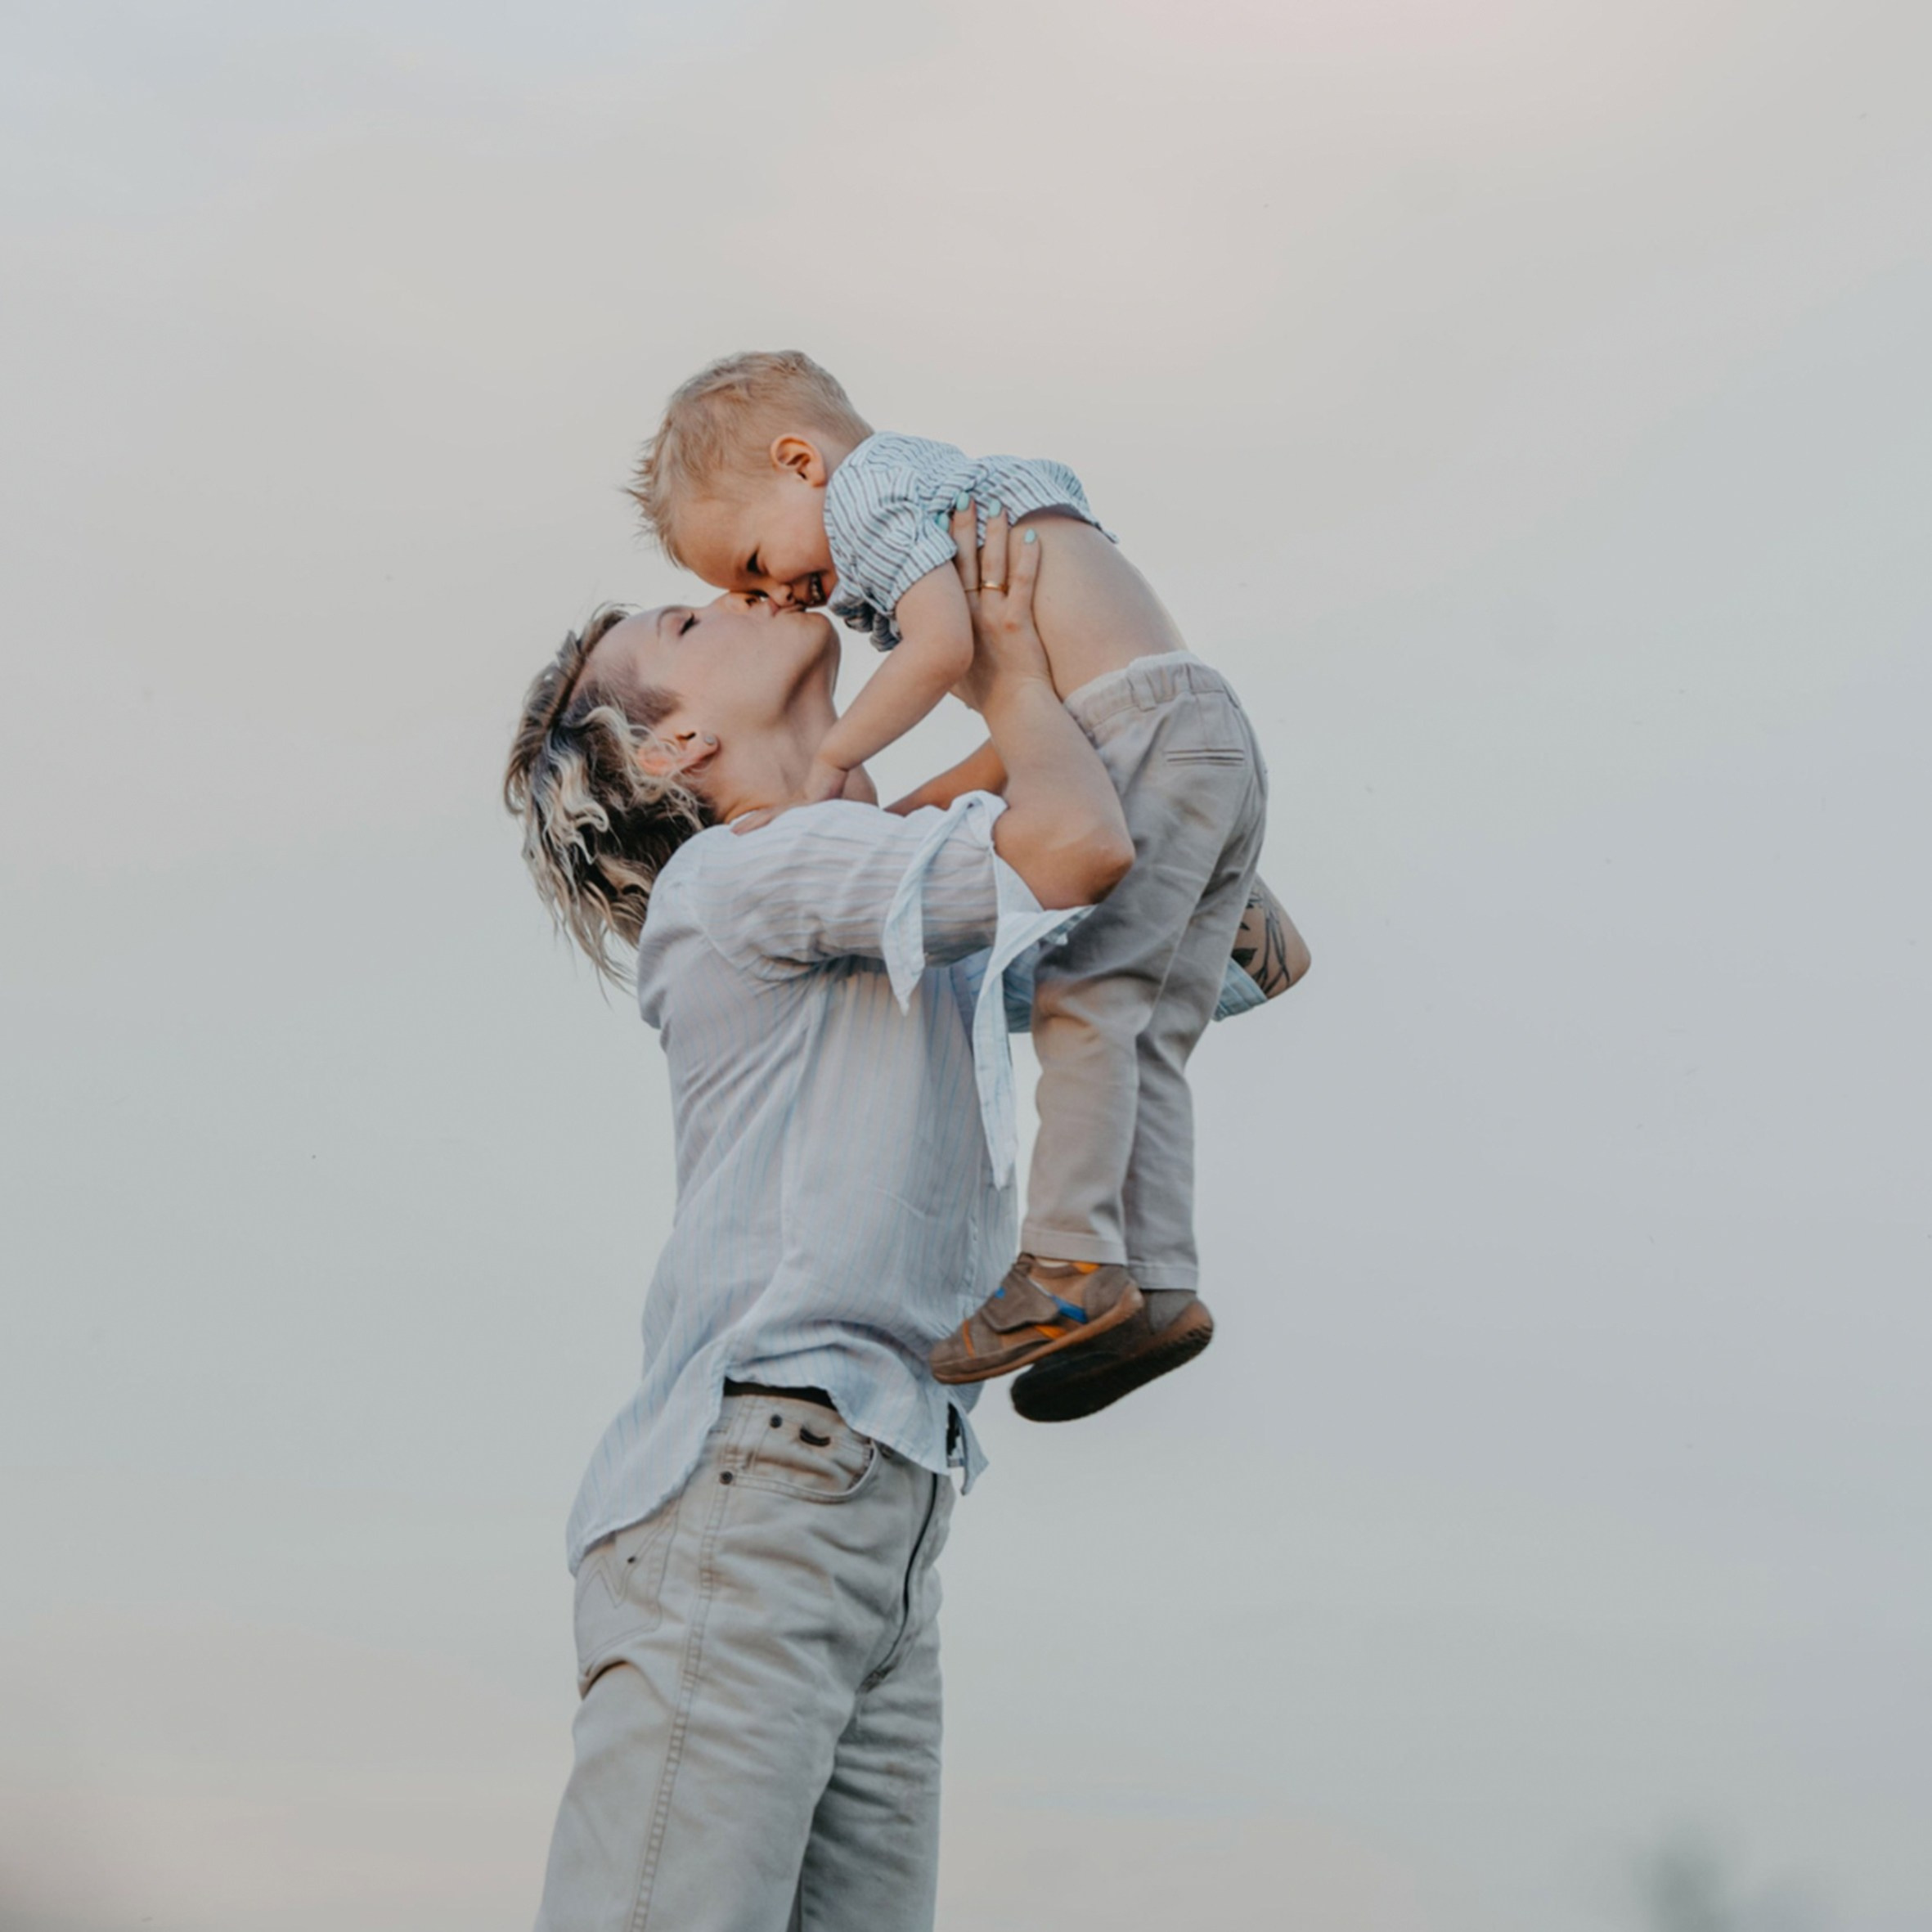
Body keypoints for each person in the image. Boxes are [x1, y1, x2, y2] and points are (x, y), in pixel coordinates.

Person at [503, 509, 1298, 1930]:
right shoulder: (740, 878)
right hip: (751, 1496)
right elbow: (1071, 844)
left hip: (882, 1515)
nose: (719, 599)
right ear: (677, 747)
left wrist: (1174, 809)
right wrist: (1001, 667)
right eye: (684, 628)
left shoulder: (882, 889)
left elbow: (1227, 961)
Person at [629, 350, 1274, 1409]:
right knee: (1146, 1030)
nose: (773, 593)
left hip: (1137, 738)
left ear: (802, 463)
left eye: (751, 562)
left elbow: (934, 655)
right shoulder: (941, 501)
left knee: (1088, 1003)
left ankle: (1069, 1261)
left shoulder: (875, 495)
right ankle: (1157, 1283)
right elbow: (1023, 736)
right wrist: (904, 814)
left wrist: (835, 758)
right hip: (1186, 732)